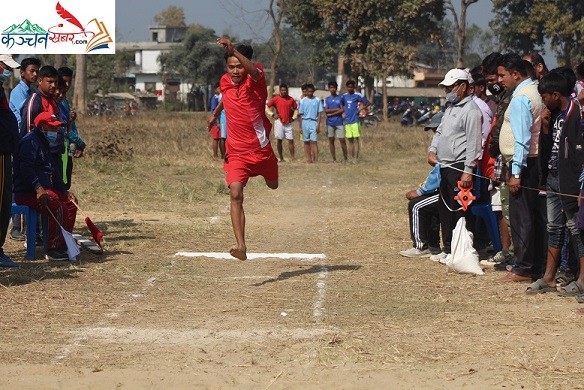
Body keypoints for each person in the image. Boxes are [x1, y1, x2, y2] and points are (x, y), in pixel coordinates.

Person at [208, 38, 278, 261]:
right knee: (235, 193)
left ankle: (269, 172)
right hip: (236, 153)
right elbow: (226, 97)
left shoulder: (256, 78)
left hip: (260, 150)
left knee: (273, 185)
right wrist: (214, 114)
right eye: (231, 67)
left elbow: (253, 72)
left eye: (239, 66)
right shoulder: (225, 81)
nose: (236, 71)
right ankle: (241, 246)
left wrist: (234, 51)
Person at [525, 70, 584, 295]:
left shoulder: (576, 114)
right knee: (554, 228)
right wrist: (547, 129)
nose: (543, 100)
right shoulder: (555, 116)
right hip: (552, 178)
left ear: (556, 94)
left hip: (570, 181)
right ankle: (548, 278)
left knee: (575, 229)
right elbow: (551, 150)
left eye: (545, 95)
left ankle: (581, 279)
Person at [497, 53, 546, 282]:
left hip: (524, 166)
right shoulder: (531, 92)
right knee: (528, 216)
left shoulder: (521, 98)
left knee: (522, 217)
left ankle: (525, 267)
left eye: (502, 75)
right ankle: (530, 264)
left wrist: (516, 172)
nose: (499, 80)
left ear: (516, 74)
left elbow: (522, 139)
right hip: (528, 163)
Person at [427, 68, 482, 262]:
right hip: (444, 166)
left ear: (462, 86)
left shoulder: (471, 111)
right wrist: (432, 150)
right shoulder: (450, 107)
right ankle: (448, 247)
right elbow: (440, 132)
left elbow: (474, 143)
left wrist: (468, 171)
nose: (447, 91)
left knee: (460, 210)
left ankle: (462, 249)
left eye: (450, 87)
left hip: (460, 167)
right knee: (445, 209)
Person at [13, 112, 77, 261]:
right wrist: (38, 188)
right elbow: (26, 169)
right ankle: (53, 249)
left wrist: (64, 191)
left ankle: (63, 242)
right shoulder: (29, 142)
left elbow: (53, 170)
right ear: (42, 127)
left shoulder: (44, 142)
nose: (55, 131)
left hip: (45, 188)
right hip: (28, 192)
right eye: (52, 128)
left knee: (71, 203)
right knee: (57, 205)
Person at [399, 114, 444, 258]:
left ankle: (421, 246)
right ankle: (433, 246)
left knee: (416, 205)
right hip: (443, 189)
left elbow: (438, 174)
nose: (434, 133)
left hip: (447, 191)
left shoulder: (445, 144)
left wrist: (420, 191)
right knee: (426, 203)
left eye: (436, 129)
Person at [8, 57, 41, 241]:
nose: (34, 74)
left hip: (30, 142)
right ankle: (16, 226)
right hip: (20, 141)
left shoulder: (33, 92)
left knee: (31, 183)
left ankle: (31, 227)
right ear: (22, 73)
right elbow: (25, 116)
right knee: (18, 184)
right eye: (31, 71)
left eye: (37, 71)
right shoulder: (19, 92)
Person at [0, 54, 21, 268]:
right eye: (5, 66)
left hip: (4, 151)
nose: (7, 72)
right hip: (0, 151)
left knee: (4, 202)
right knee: (1, 202)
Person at [57, 66, 85, 190]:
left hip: (67, 147)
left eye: (70, 81)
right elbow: (65, 128)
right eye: (64, 81)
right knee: (62, 183)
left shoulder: (64, 100)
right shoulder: (59, 101)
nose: (67, 85)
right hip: (61, 147)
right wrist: (80, 142)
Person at [267, 83, 297, 162]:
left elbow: (296, 109)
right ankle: (281, 157)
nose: (284, 91)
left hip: (288, 122)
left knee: (290, 140)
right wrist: (272, 115)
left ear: (287, 90)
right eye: (282, 90)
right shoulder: (276, 99)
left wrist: (293, 117)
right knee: (279, 140)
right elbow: (267, 107)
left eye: (285, 90)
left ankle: (293, 158)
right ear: (280, 90)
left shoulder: (291, 99)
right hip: (279, 122)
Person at [342, 80, 369, 160]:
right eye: (349, 87)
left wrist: (360, 109)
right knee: (350, 141)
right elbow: (341, 105)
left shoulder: (357, 95)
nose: (350, 88)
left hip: (355, 120)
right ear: (346, 87)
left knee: (356, 140)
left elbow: (367, 103)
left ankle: (356, 159)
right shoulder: (344, 96)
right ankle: (351, 157)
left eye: (352, 87)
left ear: (354, 87)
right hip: (347, 121)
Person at [298, 83, 323, 163]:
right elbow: (300, 114)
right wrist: (300, 126)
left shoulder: (317, 100)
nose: (310, 93)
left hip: (313, 122)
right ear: (306, 91)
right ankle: (308, 158)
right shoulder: (303, 101)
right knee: (306, 141)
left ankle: (315, 159)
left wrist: (318, 125)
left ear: (313, 91)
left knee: (314, 141)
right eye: (308, 91)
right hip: (305, 122)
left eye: (311, 91)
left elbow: (319, 113)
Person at [324, 81, 347, 162]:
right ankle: (334, 159)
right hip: (330, 123)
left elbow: (342, 109)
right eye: (331, 87)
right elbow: (326, 110)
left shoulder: (340, 98)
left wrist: (332, 113)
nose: (332, 89)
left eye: (334, 87)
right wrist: (336, 110)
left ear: (336, 88)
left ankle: (345, 158)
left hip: (339, 122)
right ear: (329, 89)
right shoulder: (327, 99)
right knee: (331, 140)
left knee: (342, 140)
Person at [209, 83, 223, 159]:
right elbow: (214, 111)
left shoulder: (220, 97)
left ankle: (222, 155)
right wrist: (217, 122)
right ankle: (215, 155)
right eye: (218, 88)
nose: (220, 89)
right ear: (215, 90)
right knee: (216, 138)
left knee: (221, 138)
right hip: (216, 122)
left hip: (221, 121)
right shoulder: (215, 98)